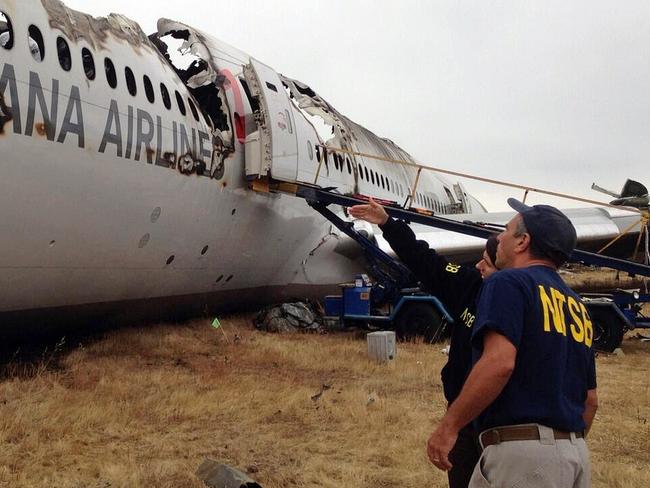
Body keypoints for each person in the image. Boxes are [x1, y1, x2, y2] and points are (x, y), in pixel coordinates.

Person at [426, 198, 598, 488]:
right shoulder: (576, 304)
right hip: (574, 453)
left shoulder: (508, 282)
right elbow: (590, 401)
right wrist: (559, 449)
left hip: (524, 459)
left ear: (522, 242)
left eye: (505, 231)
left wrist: (449, 427)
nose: (500, 238)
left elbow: (499, 362)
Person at [349, 198, 498, 488]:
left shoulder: (524, 302)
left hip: (503, 424)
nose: (479, 265)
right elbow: (426, 262)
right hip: (465, 421)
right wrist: (388, 224)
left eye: (488, 263)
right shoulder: (471, 285)